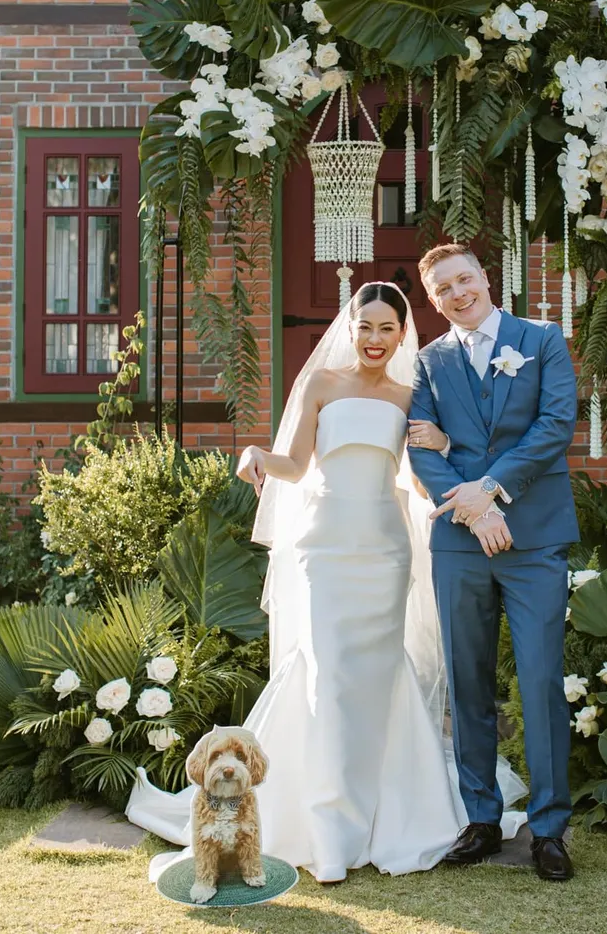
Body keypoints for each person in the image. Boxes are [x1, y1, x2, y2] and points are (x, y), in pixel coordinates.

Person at [125, 281, 526, 884]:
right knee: (328, 677)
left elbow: (423, 481)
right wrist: (257, 455)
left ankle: (389, 813)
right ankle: (328, 831)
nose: (374, 339)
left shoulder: (412, 396)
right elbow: (294, 465)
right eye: (365, 327)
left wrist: (444, 443)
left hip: (385, 548)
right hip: (326, 548)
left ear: (402, 334)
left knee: (380, 674)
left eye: (387, 329)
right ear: (350, 328)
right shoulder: (320, 383)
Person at [408, 244, 579, 883]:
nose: (458, 294)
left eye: (465, 279)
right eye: (443, 289)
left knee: (540, 681)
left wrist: (492, 489)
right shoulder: (428, 362)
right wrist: (475, 513)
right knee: (468, 682)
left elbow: (555, 424)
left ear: (486, 278)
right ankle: (480, 819)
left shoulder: (542, 339)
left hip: (534, 540)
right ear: (434, 301)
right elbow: (420, 447)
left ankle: (549, 828)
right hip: (460, 542)